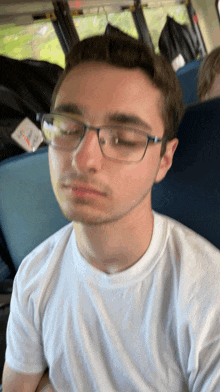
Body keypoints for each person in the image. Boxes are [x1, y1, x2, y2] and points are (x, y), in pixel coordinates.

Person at [2, 34, 220, 392]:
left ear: (163, 160)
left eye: (124, 137)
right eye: (68, 127)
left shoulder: (207, 297)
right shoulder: (35, 276)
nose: (82, 159)